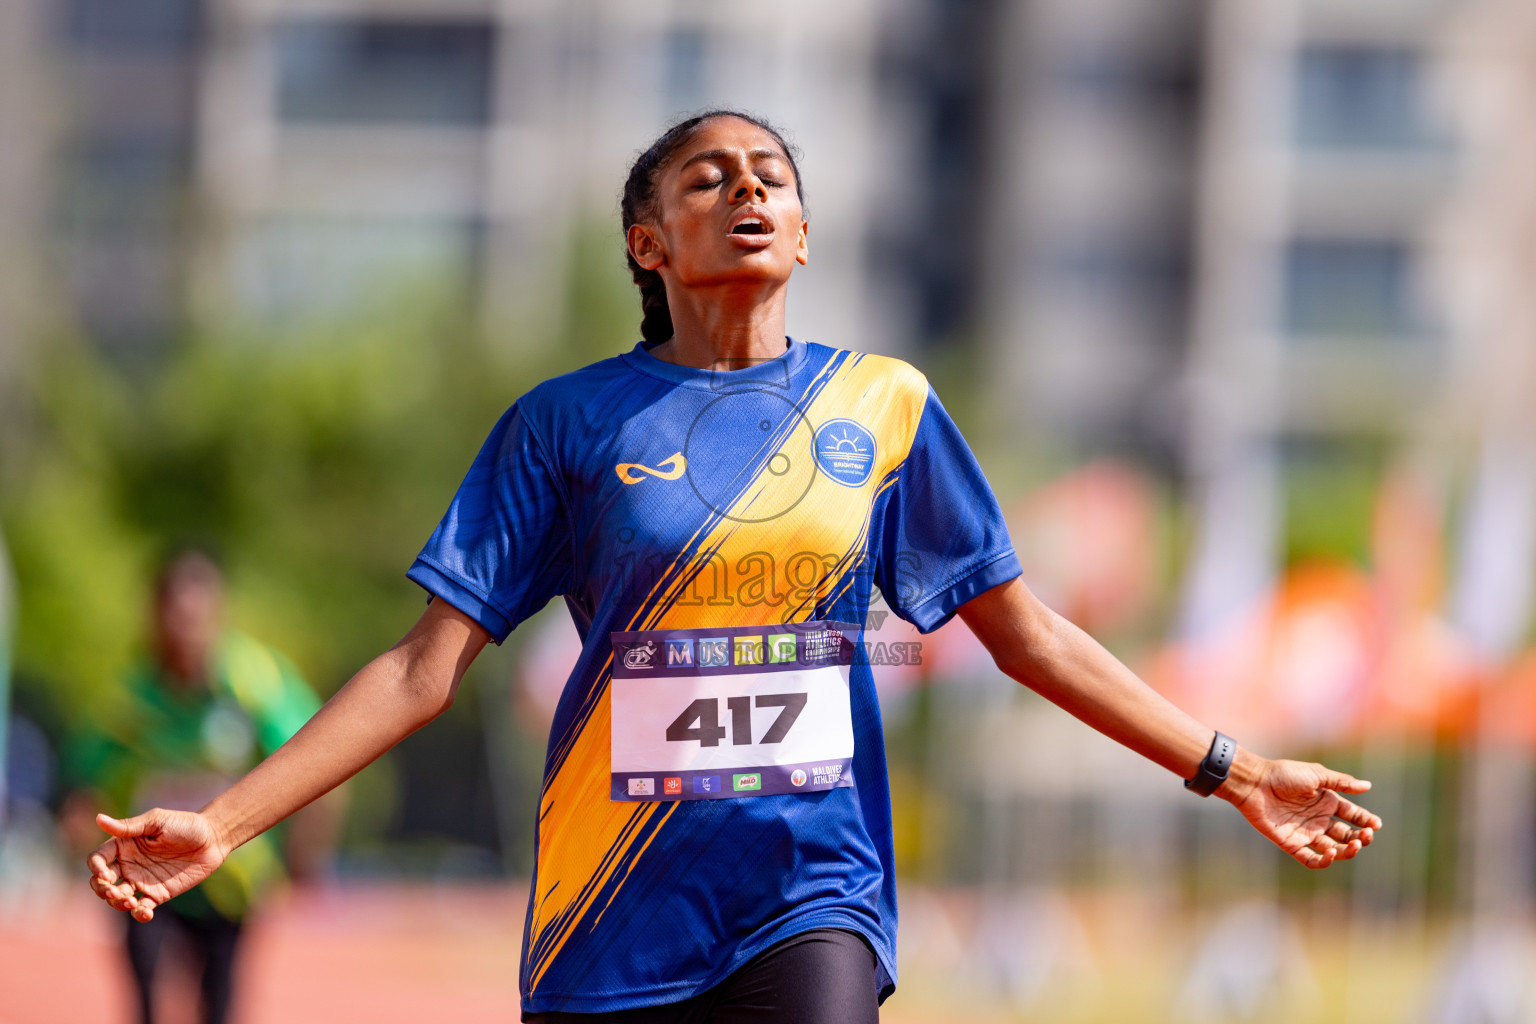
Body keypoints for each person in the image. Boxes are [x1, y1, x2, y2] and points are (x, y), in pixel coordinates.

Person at [89, 112, 1382, 1023]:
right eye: (707, 178)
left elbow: (1029, 637)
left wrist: (1235, 768)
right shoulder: (566, 426)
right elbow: (423, 671)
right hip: (609, 902)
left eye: (771, 174)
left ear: (807, 232)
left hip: (812, 887)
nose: (748, 191)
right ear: (648, 243)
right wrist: (223, 820)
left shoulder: (883, 408)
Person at [70, 549, 334, 1024]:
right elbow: (88, 777)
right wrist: (79, 832)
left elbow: (316, 757)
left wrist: (305, 852)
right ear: (156, 615)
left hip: (230, 875)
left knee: (219, 1006)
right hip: (144, 872)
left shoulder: (256, 680)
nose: (186, 627)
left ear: (218, 610)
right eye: (175, 612)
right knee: (145, 998)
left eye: (198, 612)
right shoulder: (130, 694)